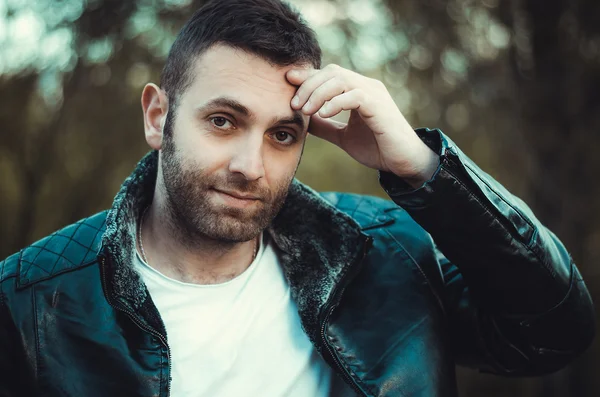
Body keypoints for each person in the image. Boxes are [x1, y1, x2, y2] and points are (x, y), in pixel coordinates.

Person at [0, 0, 595, 396]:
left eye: (282, 135)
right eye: (223, 121)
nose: (249, 166)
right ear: (159, 117)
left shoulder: (386, 256)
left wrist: (420, 166)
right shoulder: (27, 304)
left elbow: (551, 331)